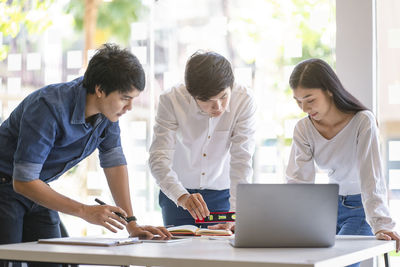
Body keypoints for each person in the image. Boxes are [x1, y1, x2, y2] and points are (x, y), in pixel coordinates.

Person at [0, 43, 171, 267]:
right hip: (6, 187)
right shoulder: (48, 107)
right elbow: (22, 182)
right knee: (8, 260)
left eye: (133, 99)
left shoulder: (107, 115)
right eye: (125, 98)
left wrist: (131, 223)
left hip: (37, 188)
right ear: (100, 90)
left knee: (58, 260)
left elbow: (114, 164)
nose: (129, 107)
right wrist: (85, 211)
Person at [286, 58, 400, 265]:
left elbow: (371, 176)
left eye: (310, 100)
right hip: (327, 208)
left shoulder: (362, 121)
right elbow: (298, 182)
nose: (304, 108)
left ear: (329, 90)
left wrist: (381, 223)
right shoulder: (303, 129)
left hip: (360, 208)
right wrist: (293, 224)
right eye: (298, 101)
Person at [149, 51, 256, 229]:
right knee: (177, 252)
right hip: (177, 195)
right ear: (192, 94)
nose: (218, 107)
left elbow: (242, 159)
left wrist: (237, 212)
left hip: (223, 195)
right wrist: (181, 196)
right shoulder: (171, 100)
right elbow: (158, 157)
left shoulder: (244, 100)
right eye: (208, 101)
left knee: (221, 253)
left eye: (223, 96)